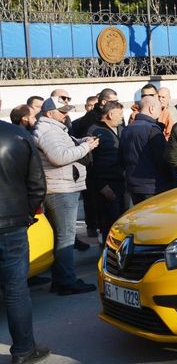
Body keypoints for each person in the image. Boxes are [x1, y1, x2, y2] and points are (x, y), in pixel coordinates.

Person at [32, 97, 98, 295]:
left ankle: (61, 279)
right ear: (49, 113)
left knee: (62, 236)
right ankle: (66, 281)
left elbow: (60, 149)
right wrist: (86, 147)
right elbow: (59, 156)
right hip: (61, 189)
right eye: (61, 111)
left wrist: (80, 141)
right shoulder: (49, 130)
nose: (66, 114)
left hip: (60, 187)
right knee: (65, 238)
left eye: (67, 110)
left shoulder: (53, 128)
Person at [0, 120, 51, 363]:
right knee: (15, 289)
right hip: (12, 224)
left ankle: (24, 349)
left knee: (15, 290)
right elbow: (37, 185)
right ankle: (23, 350)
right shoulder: (18, 135)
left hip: (14, 222)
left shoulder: (20, 135)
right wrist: (28, 215)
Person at [120, 96, 177, 205]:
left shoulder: (127, 129)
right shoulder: (152, 129)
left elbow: (122, 158)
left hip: (134, 186)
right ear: (151, 108)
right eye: (159, 109)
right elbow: (163, 159)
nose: (160, 112)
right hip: (153, 186)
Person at [85, 101, 126, 243]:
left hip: (123, 183)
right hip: (107, 185)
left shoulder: (120, 128)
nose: (122, 117)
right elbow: (90, 163)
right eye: (120, 114)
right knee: (110, 225)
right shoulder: (94, 131)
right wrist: (102, 186)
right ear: (110, 114)